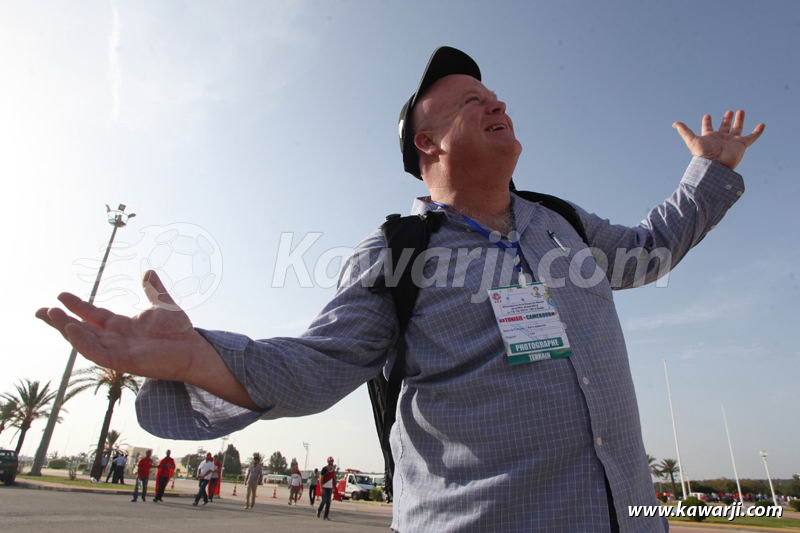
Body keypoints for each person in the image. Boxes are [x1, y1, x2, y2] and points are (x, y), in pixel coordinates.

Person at [36, 46, 765, 532]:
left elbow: (647, 253)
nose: (497, 103)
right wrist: (201, 357)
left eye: (496, 95)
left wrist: (709, 171)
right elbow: (320, 364)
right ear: (427, 142)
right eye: (472, 100)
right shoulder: (398, 253)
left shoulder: (564, 223)